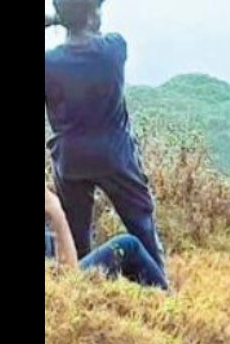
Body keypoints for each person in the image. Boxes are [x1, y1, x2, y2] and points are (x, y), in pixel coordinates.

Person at [46, 0, 165, 267]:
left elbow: (75, 27)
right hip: (115, 156)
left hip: (70, 160)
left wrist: (59, 17)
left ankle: (84, 284)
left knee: (76, 234)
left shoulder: (48, 64)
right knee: (141, 222)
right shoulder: (114, 48)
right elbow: (94, 35)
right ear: (91, 16)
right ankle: (156, 282)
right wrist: (72, 16)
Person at [45, 187, 168, 289]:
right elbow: (68, 280)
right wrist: (57, 214)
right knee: (129, 245)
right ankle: (171, 307)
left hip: (56, 278)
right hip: (60, 292)